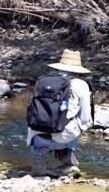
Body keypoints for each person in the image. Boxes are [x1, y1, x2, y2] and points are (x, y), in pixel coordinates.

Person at [26, 49, 93, 177]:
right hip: (63, 136)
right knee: (80, 122)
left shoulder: (44, 81)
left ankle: (41, 153)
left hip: (37, 136)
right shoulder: (81, 84)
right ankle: (66, 153)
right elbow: (85, 118)